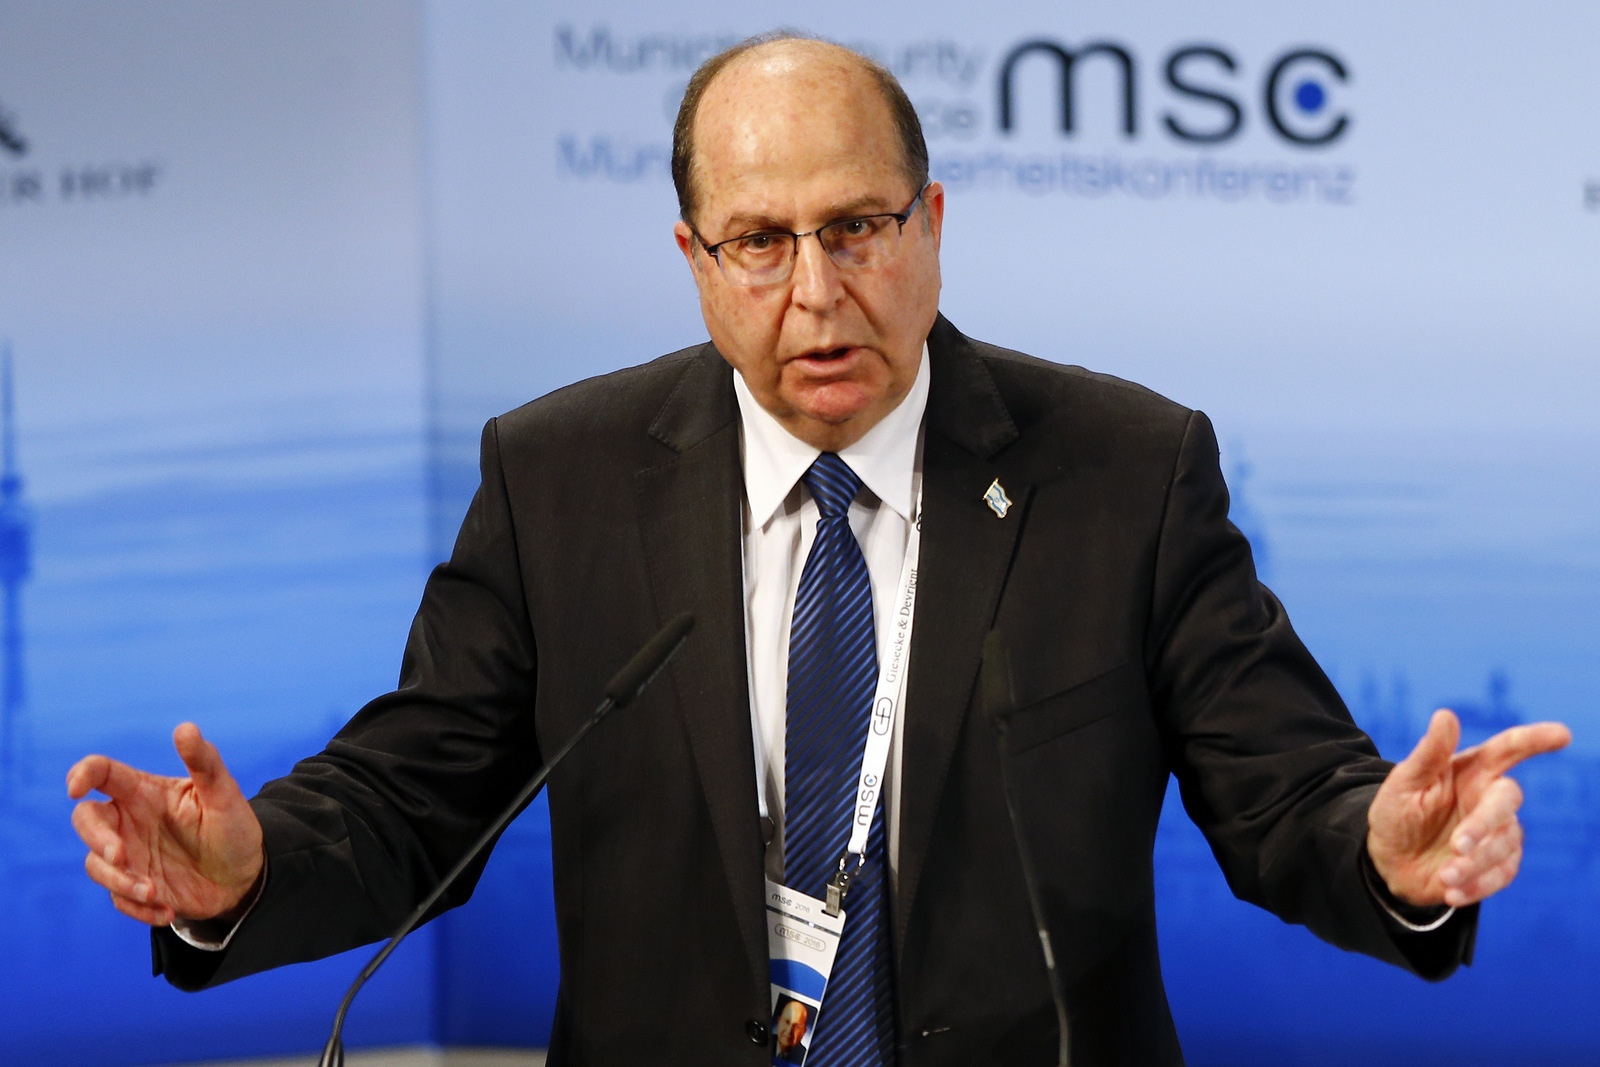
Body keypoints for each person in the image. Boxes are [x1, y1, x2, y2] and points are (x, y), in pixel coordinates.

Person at [67, 33, 1570, 1066]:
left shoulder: (1121, 469)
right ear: (693, 261)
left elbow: (1282, 789)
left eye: (857, 229)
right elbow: (417, 796)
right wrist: (246, 870)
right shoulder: (560, 476)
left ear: (931, 223)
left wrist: (1392, 854)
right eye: (761, 242)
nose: (816, 292)